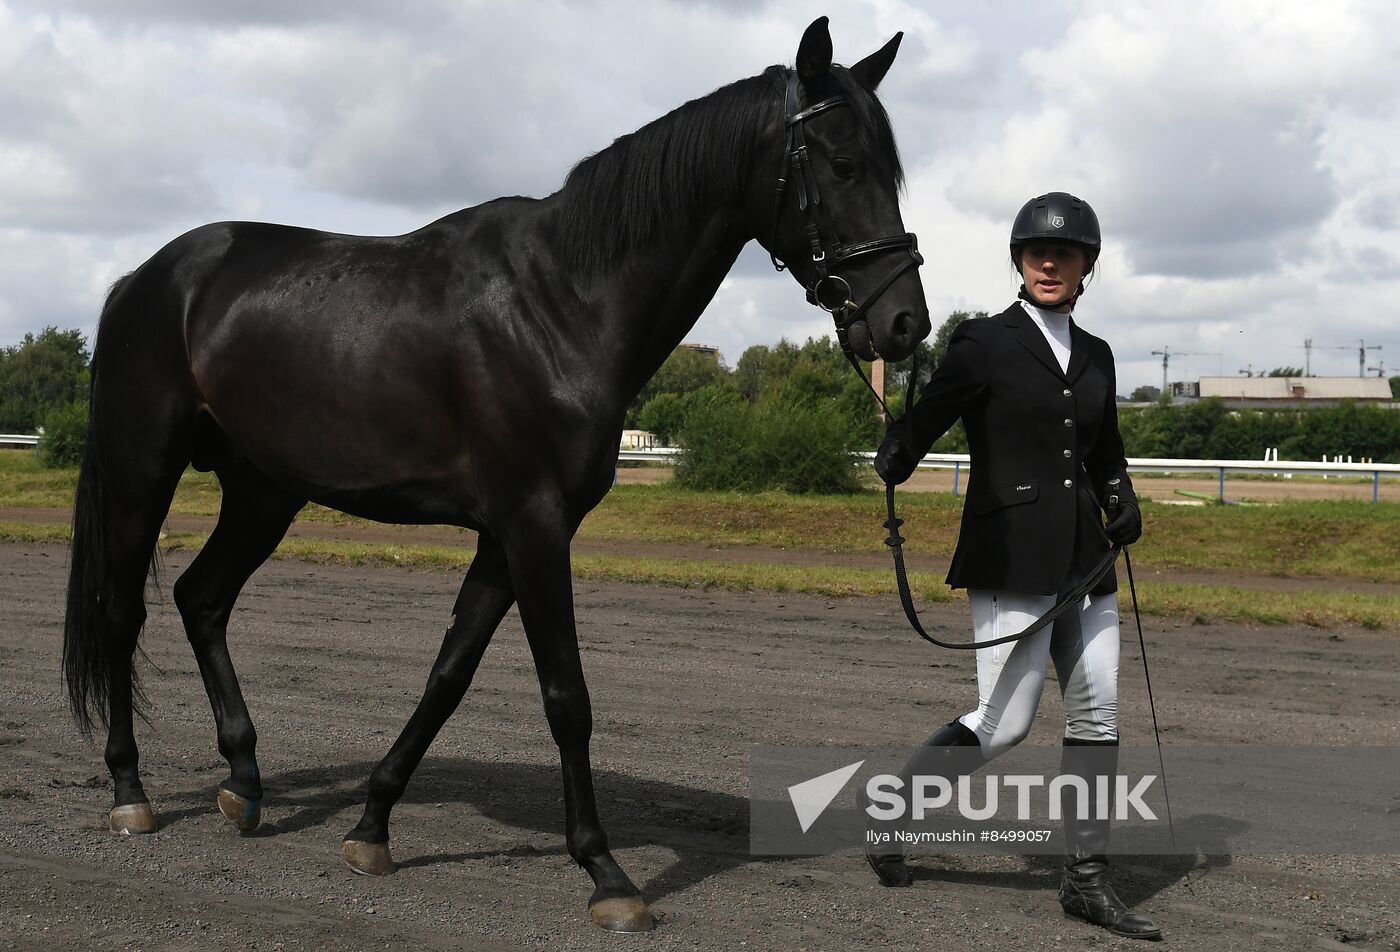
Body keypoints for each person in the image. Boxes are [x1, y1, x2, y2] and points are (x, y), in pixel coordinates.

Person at [863, 192, 1160, 940]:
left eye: (1064, 253)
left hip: (1085, 562)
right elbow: (929, 416)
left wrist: (1121, 496)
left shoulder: (1098, 354)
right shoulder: (984, 342)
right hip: (1011, 554)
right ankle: (892, 812)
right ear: (1020, 262)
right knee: (1004, 725)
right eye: (1036, 253)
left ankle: (1086, 882)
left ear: (1087, 264)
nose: (1050, 262)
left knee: (1097, 714)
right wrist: (901, 451)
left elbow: (1105, 452)